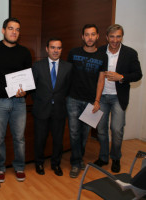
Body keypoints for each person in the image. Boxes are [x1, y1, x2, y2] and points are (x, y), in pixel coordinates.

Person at [0, 17, 32, 182]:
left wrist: (25, 91)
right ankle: (0, 168)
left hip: (19, 102)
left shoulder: (25, 52)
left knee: (19, 138)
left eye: (17, 29)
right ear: (3, 30)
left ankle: (19, 167)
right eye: (11, 28)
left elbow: (29, 80)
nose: (14, 32)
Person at [94, 24, 142, 173]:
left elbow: (138, 74)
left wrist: (121, 77)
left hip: (118, 98)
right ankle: (103, 157)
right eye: (112, 37)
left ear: (122, 37)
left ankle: (115, 158)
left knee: (116, 129)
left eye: (118, 36)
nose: (115, 40)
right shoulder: (99, 51)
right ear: (107, 37)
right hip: (101, 97)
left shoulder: (130, 53)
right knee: (101, 129)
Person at [67, 24, 108, 178]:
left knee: (84, 134)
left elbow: (101, 80)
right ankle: (75, 163)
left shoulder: (103, 56)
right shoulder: (73, 52)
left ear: (97, 36)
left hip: (91, 102)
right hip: (73, 99)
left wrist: (97, 101)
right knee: (73, 132)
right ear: (82, 37)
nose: (90, 37)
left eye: (93, 34)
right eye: (87, 34)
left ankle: (78, 159)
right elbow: (67, 75)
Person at [32, 38, 72, 176]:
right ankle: (39, 163)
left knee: (58, 140)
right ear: (47, 49)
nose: (56, 50)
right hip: (41, 109)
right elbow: (33, 88)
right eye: (53, 47)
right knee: (40, 140)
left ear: (61, 50)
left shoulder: (68, 67)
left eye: (59, 48)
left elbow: (68, 88)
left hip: (59, 110)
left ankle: (56, 164)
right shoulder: (37, 66)